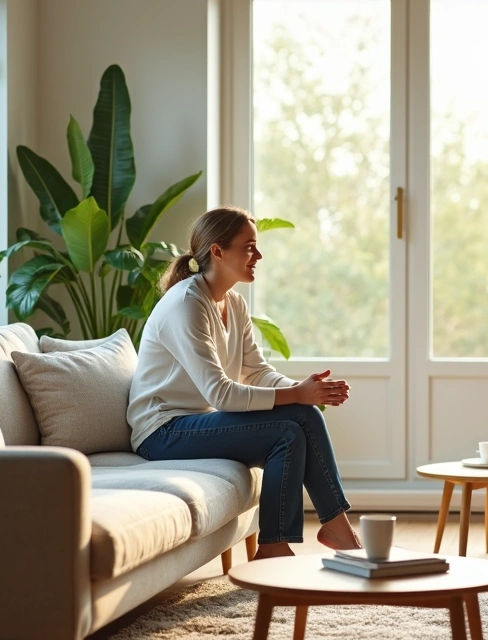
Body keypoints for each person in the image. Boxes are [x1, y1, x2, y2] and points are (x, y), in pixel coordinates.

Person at [127, 206, 360, 561]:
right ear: (218, 252)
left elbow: (256, 370)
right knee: (291, 427)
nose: (258, 255)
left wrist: (302, 390)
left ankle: (295, 539)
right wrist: (298, 394)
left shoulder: (233, 302)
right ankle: (313, 537)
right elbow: (220, 393)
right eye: (249, 247)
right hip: (162, 432)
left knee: (300, 420)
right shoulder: (187, 304)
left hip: (195, 424)